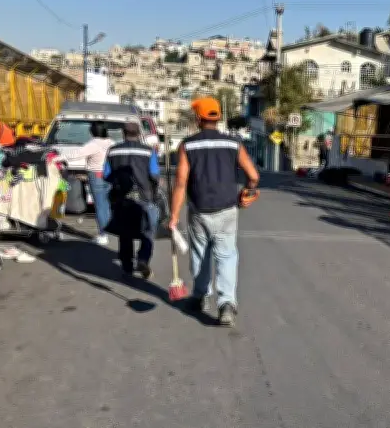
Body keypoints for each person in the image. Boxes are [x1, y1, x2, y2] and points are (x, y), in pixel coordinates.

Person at [168, 97, 259, 327]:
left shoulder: (188, 145)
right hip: (228, 210)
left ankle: (200, 296)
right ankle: (226, 304)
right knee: (226, 256)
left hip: (200, 211)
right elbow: (254, 176)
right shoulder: (233, 144)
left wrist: (174, 216)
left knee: (200, 254)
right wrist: (247, 193)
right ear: (217, 117)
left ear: (198, 119)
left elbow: (180, 182)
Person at [104, 121, 161, 278]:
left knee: (125, 232)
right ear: (139, 134)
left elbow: (106, 175)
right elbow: (154, 174)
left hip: (121, 198)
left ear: (123, 133)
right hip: (145, 197)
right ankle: (143, 258)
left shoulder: (112, 151)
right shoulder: (148, 152)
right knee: (148, 231)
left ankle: (127, 266)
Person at [60, 122, 115, 245]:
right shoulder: (111, 143)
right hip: (109, 175)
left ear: (93, 132)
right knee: (106, 205)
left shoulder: (94, 144)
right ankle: (108, 230)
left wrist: (58, 158)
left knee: (100, 206)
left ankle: (103, 234)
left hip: (96, 175)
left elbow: (76, 154)